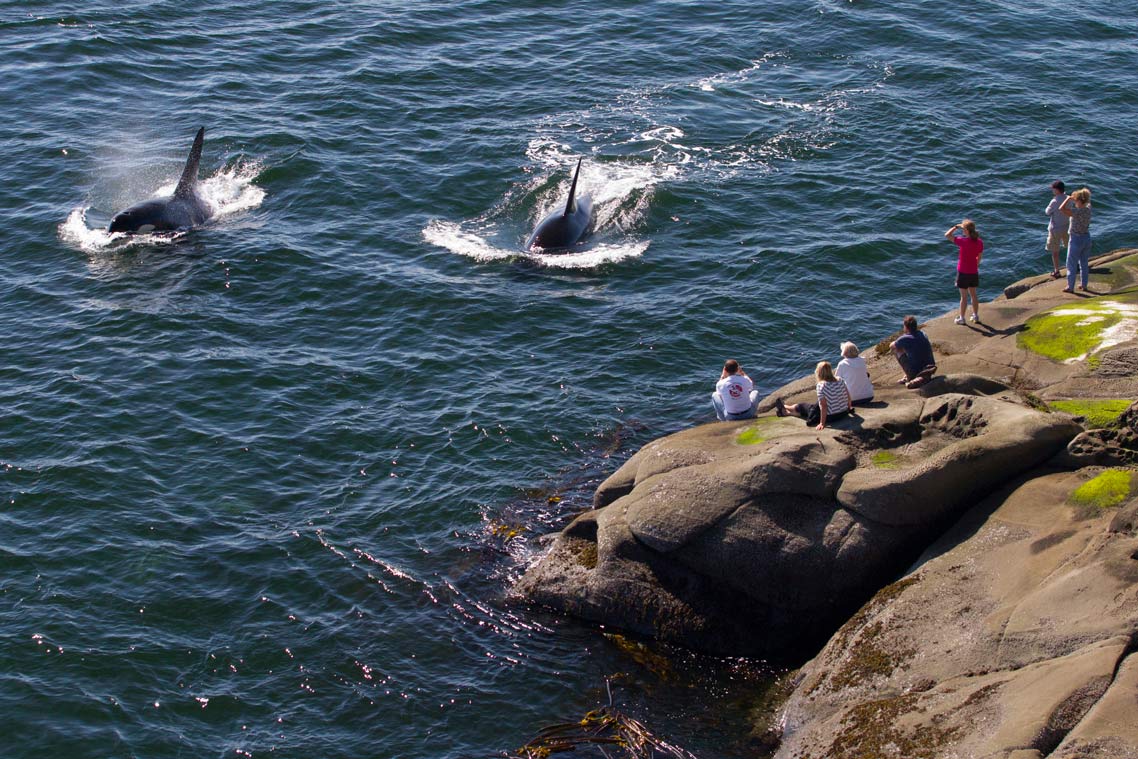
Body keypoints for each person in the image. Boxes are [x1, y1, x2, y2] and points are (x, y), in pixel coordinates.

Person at [774, 361, 852, 430]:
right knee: (812, 408)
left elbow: (823, 406)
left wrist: (822, 423)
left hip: (831, 417)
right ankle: (786, 409)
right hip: (844, 412)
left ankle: (786, 410)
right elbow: (847, 394)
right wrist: (849, 407)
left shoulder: (821, 385)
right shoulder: (840, 380)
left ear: (819, 372)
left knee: (804, 407)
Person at [944, 219, 983, 324]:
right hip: (973, 272)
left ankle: (962, 318)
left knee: (964, 297)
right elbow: (979, 258)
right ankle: (975, 316)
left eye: (963, 229)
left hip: (963, 272)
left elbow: (947, 235)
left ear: (966, 230)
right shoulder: (979, 242)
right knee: (974, 295)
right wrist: (975, 265)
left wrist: (956, 227)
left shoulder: (963, 241)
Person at [1059, 187, 1092, 293]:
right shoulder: (1088, 209)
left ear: (1078, 200)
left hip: (1076, 239)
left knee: (1071, 264)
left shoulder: (1076, 211)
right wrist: (1077, 198)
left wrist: (1068, 199)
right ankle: (1084, 285)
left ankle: (1070, 287)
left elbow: (1061, 208)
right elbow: (1086, 202)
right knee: (1084, 263)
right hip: (1086, 238)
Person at [890, 315, 936, 389]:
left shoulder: (905, 338)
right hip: (930, 367)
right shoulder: (922, 333)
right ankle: (922, 376)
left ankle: (911, 376)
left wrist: (901, 340)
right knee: (912, 348)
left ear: (906, 327)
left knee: (896, 349)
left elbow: (891, 346)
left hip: (916, 370)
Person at [835, 341, 874, 405]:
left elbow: (836, 379)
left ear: (844, 352)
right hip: (869, 396)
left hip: (852, 399)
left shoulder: (842, 363)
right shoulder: (862, 360)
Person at [1044, 180, 1068, 278]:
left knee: (1055, 251)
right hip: (1067, 227)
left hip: (1055, 229)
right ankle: (1075, 265)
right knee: (1070, 247)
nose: (1052, 191)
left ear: (1057, 190)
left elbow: (1047, 212)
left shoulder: (1054, 201)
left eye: (1053, 189)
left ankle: (1057, 271)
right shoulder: (1068, 198)